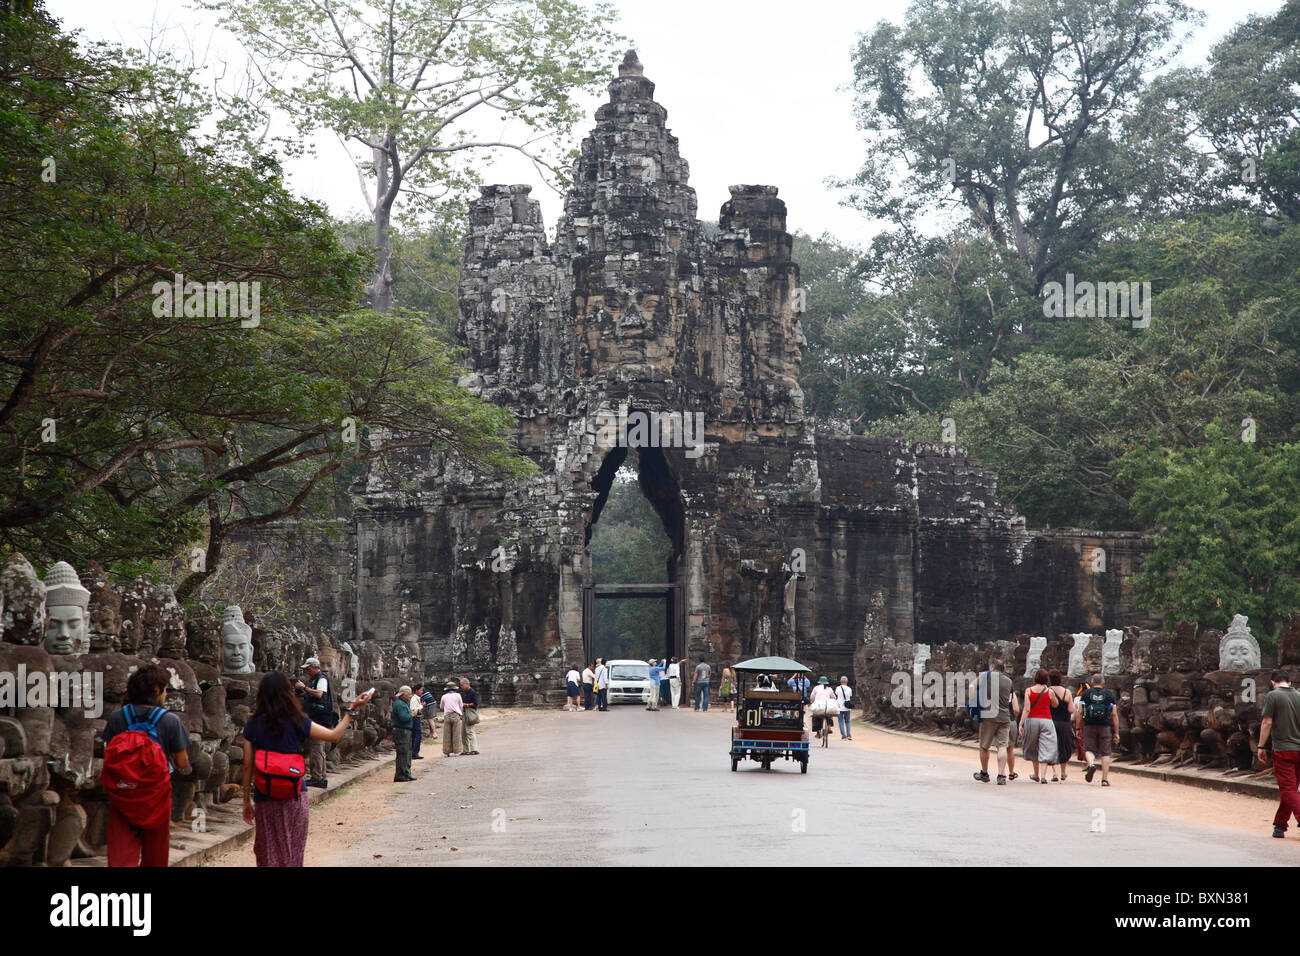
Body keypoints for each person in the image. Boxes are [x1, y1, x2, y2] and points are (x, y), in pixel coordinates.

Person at [241, 671, 371, 866]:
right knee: (293, 850)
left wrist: (245, 801)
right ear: (288, 693)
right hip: (294, 793)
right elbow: (334, 735)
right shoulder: (298, 721)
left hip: (265, 795)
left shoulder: (253, 724)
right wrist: (352, 709)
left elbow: (247, 765)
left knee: (268, 851)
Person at [101, 664, 192, 867]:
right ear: (157, 690)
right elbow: (182, 762)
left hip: (123, 791)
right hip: (156, 794)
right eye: (165, 689)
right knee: (155, 850)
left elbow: (109, 751)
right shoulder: (170, 721)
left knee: (121, 847)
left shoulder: (118, 717)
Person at [1257, 669, 1300, 838]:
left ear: (1273, 683)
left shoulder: (1273, 695)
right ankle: (1280, 825)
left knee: (1288, 789)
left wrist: (1261, 746)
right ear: (1289, 683)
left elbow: (1267, 722)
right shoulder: (1298, 695)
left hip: (1284, 749)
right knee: (1291, 789)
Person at [294, 657, 336, 788]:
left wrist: (304, 687)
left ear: (315, 667)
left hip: (319, 719)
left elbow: (319, 695)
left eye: (308, 668)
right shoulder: (315, 679)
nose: (307, 671)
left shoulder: (321, 678)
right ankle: (320, 777)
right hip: (318, 718)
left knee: (316, 748)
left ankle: (317, 777)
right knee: (318, 749)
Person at [972, 660, 1013, 784]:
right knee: (1002, 746)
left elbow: (971, 687)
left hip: (988, 716)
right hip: (1005, 716)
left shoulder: (985, 676)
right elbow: (1011, 699)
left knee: (984, 746)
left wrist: (973, 703)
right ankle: (1001, 775)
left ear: (992, 667)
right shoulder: (1009, 681)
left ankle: (984, 773)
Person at [1078, 673, 1119, 786]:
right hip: (1105, 726)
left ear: (1092, 683)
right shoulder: (1109, 694)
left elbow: (1080, 711)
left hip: (1089, 725)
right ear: (1103, 683)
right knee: (1105, 752)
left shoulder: (1086, 694)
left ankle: (1091, 764)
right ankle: (1104, 779)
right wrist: (1116, 732)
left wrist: (1078, 727)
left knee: (1089, 749)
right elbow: (1114, 714)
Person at [1019, 668, 1057, 783]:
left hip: (1032, 720)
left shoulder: (1029, 691)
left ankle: (1036, 774)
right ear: (1047, 679)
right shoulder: (1049, 691)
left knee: (1033, 746)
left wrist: (1021, 723)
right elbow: (1055, 705)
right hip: (1046, 720)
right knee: (1046, 746)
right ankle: (1044, 776)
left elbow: (1026, 709)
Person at [1048, 670, 1075, 782]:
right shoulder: (1067, 692)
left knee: (1052, 746)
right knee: (1064, 746)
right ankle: (1063, 772)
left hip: (1051, 722)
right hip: (1064, 722)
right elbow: (1071, 709)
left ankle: (1055, 772)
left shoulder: (1048, 691)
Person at [391, 686, 416, 781]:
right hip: (401, 730)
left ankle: (406, 773)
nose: (410, 696)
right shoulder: (400, 704)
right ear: (403, 695)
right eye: (409, 694)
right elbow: (404, 717)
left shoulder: (403, 703)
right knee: (403, 752)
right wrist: (412, 714)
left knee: (407, 752)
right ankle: (400, 774)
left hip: (406, 730)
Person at [440, 681, 464, 756]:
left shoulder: (444, 696)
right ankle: (457, 751)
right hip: (455, 715)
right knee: (456, 734)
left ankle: (446, 752)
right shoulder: (458, 695)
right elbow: (461, 706)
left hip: (447, 716)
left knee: (447, 734)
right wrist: (460, 713)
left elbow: (441, 707)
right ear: (455, 689)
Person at [459, 677, 481, 755]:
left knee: (470, 731)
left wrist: (466, 705)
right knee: (463, 732)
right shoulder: (464, 693)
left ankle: (474, 749)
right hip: (464, 713)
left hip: (470, 712)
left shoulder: (472, 692)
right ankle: (466, 750)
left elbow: (475, 703)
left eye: (462, 685)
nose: (461, 687)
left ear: (466, 684)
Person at [409, 681, 426, 760]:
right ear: (416, 691)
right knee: (417, 735)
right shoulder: (413, 699)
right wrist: (421, 706)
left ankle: (415, 752)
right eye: (421, 690)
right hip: (415, 718)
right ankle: (414, 753)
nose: (422, 692)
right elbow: (414, 711)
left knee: (417, 735)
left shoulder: (417, 699)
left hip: (417, 718)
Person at [835, 675, 853, 740]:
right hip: (847, 707)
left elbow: (836, 694)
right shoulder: (849, 689)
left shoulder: (838, 688)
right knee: (848, 721)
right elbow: (850, 695)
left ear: (840, 681)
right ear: (847, 682)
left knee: (840, 721)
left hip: (839, 706)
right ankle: (849, 735)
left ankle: (843, 736)